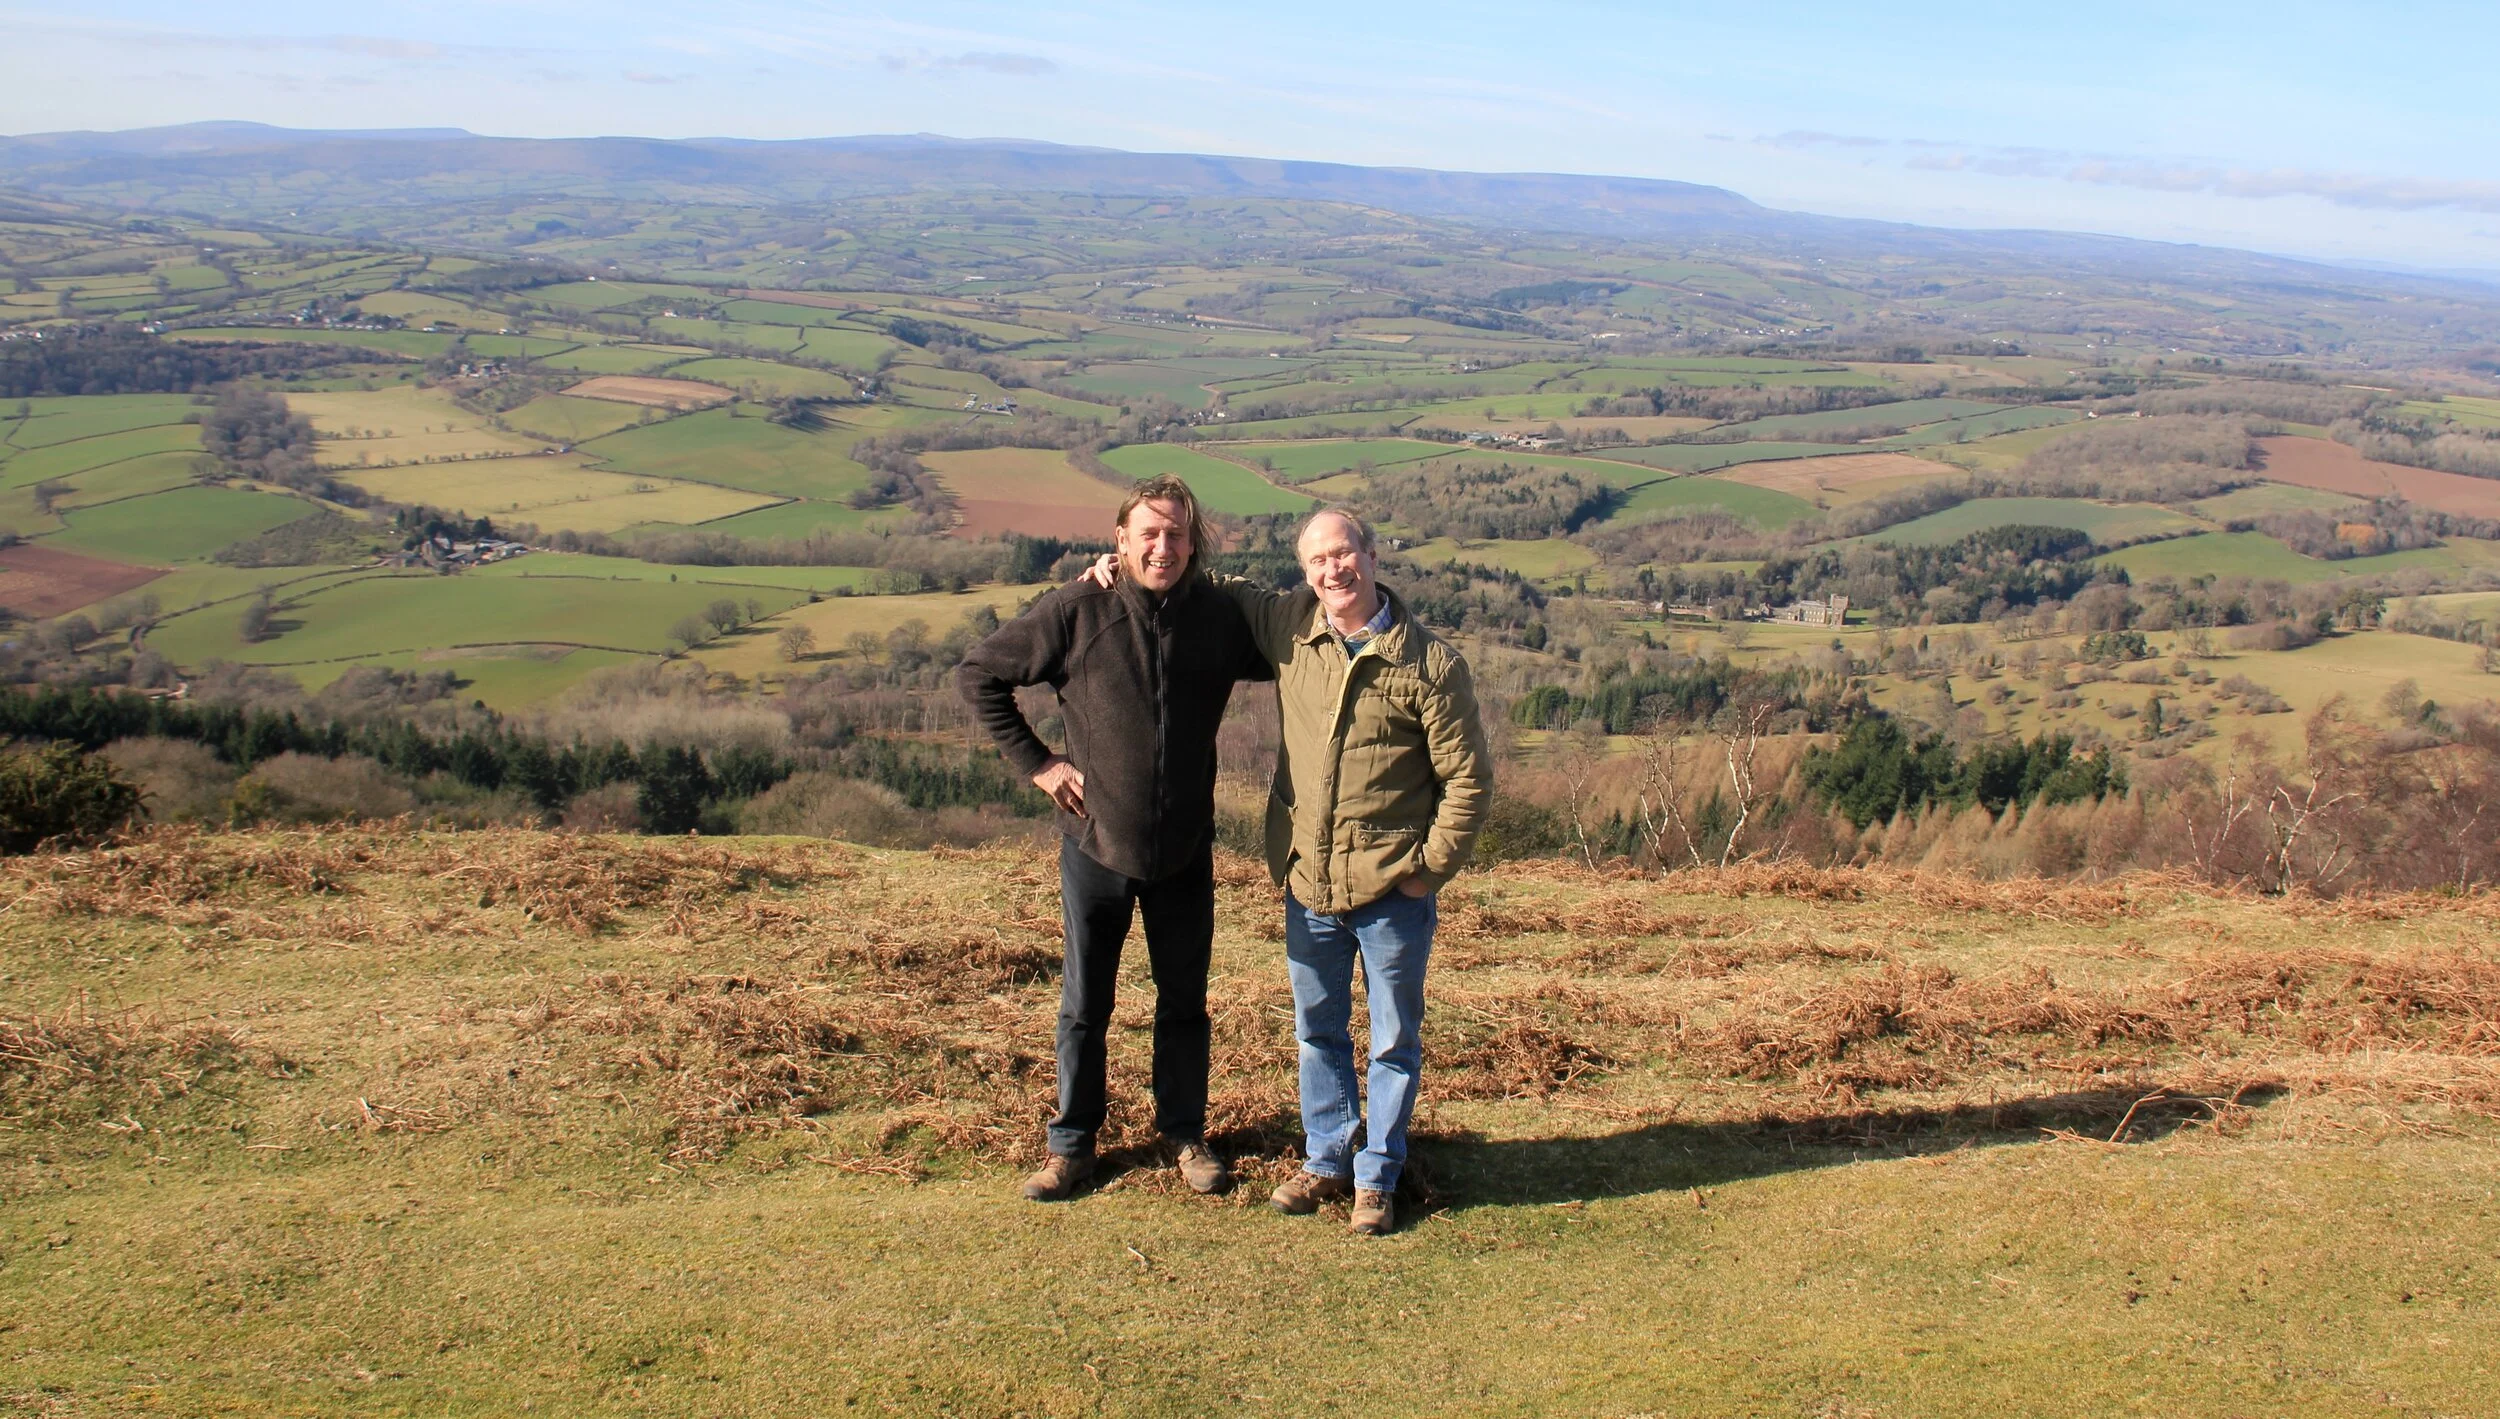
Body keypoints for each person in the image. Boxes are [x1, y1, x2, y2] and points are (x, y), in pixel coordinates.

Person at [1084, 507, 1490, 1234]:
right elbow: (1211, 581)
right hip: (1309, 883)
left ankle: (1378, 1176)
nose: (1334, 570)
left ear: (1371, 554)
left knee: (1394, 1039)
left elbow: (1468, 783)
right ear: (1304, 571)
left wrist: (1426, 870)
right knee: (1317, 1031)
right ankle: (1328, 1157)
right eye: (1318, 560)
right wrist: (1120, 573)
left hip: (1392, 888)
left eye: (1345, 554)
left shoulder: (1429, 663)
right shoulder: (1290, 625)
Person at [957, 474, 1270, 1203]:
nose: (1163, 546)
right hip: (1095, 844)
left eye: (1178, 534)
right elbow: (979, 675)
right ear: (1120, 539)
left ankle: (1184, 1132)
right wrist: (1038, 764)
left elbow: (1299, 640)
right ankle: (1072, 1144)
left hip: (1185, 848)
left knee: (1185, 1001)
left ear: (1195, 544)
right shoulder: (1077, 610)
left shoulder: (1219, 618)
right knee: (1083, 1004)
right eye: (1150, 533)